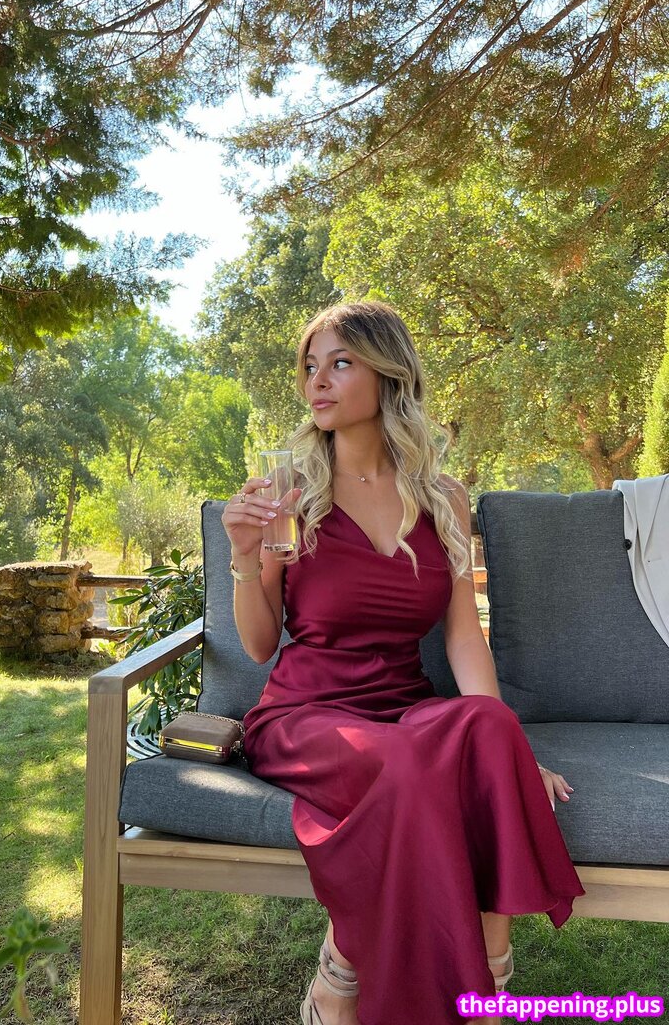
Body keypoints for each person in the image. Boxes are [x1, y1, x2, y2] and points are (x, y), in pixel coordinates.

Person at [221, 300, 585, 1025]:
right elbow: (261, 646)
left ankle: (481, 977)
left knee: (487, 731)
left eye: (340, 363)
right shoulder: (292, 496)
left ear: (388, 374)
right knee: (416, 765)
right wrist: (242, 555)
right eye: (310, 366)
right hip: (305, 716)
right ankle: (376, 982)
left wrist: (511, 755)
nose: (317, 381)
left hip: (401, 709)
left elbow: (463, 637)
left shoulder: (442, 498)